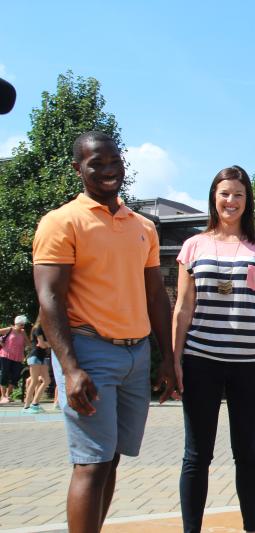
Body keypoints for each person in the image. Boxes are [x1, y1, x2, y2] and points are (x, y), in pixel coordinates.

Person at [32, 131, 177, 533]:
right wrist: (70, 368)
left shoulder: (144, 226)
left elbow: (155, 296)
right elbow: (49, 298)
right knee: (91, 462)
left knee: (110, 457)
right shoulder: (61, 222)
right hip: (89, 352)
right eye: (97, 163)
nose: (108, 169)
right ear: (78, 168)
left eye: (114, 160)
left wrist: (167, 358)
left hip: (136, 355)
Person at [172, 165, 255, 533]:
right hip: (200, 360)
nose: (231, 200)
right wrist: (174, 360)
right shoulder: (193, 245)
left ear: (247, 199)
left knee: (247, 454)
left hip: (249, 362)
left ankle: (251, 528)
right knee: (196, 455)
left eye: (238, 194)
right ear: (213, 197)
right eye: (225, 193)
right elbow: (183, 306)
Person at [23, 314, 51, 413]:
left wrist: (47, 344)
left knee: (46, 380)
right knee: (34, 380)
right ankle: (26, 406)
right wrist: (52, 344)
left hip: (42, 357)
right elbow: (42, 344)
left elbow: (43, 344)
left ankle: (35, 403)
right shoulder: (38, 328)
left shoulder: (44, 329)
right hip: (34, 356)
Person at [0, 315, 31, 403]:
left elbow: (28, 343)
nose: (22, 326)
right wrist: (0, 342)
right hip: (5, 355)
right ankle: (3, 396)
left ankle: (7, 395)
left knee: (16, 376)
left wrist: (31, 347)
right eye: (21, 324)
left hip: (18, 357)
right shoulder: (9, 329)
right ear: (16, 323)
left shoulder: (23, 332)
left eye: (23, 325)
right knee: (4, 374)